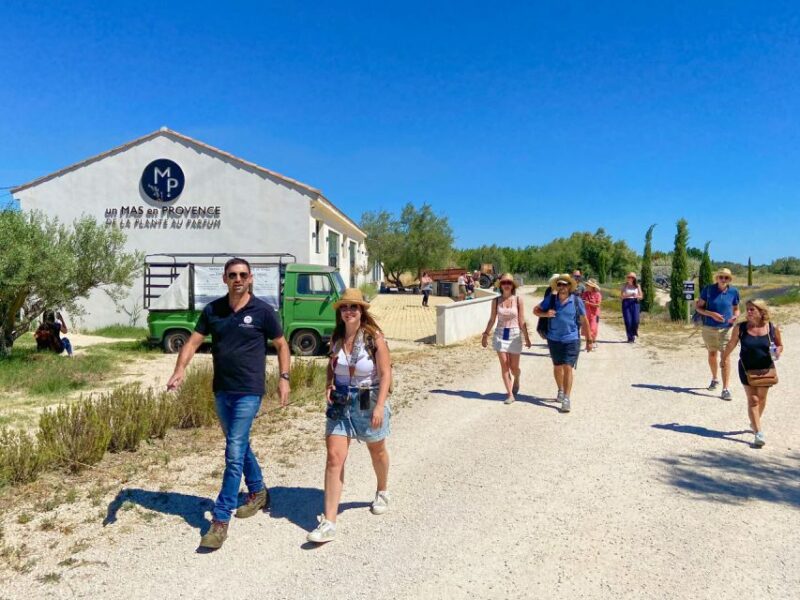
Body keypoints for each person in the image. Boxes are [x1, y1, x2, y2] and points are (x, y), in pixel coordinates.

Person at [166, 258, 291, 550]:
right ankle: (259, 491)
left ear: (250, 279)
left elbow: (282, 344)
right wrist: (179, 369)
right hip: (222, 390)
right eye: (232, 275)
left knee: (233, 452)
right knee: (240, 443)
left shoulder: (263, 311)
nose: (238, 279)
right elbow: (193, 342)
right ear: (224, 279)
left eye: (243, 275)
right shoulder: (213, 310)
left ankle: (220, 520)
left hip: (250, 390)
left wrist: (284, 378)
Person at [307, 288, 392, 544]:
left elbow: (385, 373)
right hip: (341, 400)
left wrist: (379, 407)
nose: (349, 311)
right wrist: (329, 384)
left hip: (367, 396)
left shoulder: (373, 337)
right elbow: (332, 365)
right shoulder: (336, 337)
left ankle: (382, 491)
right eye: (345, 307)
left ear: (361, 310)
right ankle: (329, 522)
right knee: (334, 458)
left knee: (376, 449)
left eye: (354, 307)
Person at [722, 300, 783, 447]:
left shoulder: (772, 328)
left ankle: (754, 422)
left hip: (765, 368)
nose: (748, 312)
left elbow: (780, 345)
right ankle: (758, 432)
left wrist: (778, 352)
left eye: (752, 310)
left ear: (761, 312)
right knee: (753, 399)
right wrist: (724, 358)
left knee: (761, 398)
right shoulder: (740, 327)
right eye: (747, 309)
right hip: (746, 368)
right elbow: (731, 343)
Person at [533, 274, 593, 413]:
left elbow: (584, 321)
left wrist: (589, 340)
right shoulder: (551, 299)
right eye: (559, 284)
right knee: (557, 367)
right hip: (553, 339)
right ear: (557, 286)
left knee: (567, 367)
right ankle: (560, 389)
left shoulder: (577, 301)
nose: (562, 287)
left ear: (569, 286)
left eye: (565, 284)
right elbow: (535, 310)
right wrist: (546, 314)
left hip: (571, 339)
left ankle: (566, 398)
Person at [481, 273, 532, 404]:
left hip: (514, 334)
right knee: (504, 365)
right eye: (504, 283)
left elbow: (521, 320)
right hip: (500, 333)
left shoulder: (518, 300)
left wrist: (526, 337)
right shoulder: (496, 300)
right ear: (501, 285)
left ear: (512, 285)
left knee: (514, 367)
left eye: (509, 283)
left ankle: (517, 378)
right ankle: (510, 394)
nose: (506, 285)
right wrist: (485, 334)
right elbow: (492, 319)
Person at [696, 268, 740, 401]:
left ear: (729, 280)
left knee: (725, 357)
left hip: (726, 329)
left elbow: (736, 309)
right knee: (712, 354)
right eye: (721, 277)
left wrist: (735, 317)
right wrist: (711, 314)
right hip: (709, 328)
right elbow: (698, 307)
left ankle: (725, 389)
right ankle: (715, 379)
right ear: (717, 278)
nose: (723, 279)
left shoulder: (733, 291)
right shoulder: (708, 290)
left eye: (726, 278)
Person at [620, 272, 643, 343]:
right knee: (628, 321)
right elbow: (622, 296)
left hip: (635, 303)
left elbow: (641, 296)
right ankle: (630, 338)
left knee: (636, 320)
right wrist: (630, 294)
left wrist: (637, 296)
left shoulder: (637, 286)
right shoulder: (624, 286)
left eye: (632, 277)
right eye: (629, 277)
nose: (630, 278)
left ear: (634, 279)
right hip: (626, 303)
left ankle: (634, 332)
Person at [582, 279, 602, 346]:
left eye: (588, 285)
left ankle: (593, 341)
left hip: (595, 314)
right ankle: (588, 343)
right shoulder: (585, 293)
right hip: (586, 314)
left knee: (593, 329)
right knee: (586, 329)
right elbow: (582, 301)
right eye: (586, 285)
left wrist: (588, 303)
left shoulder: (598, 294)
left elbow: (598, 305)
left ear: (592, 286)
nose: (586, 286)